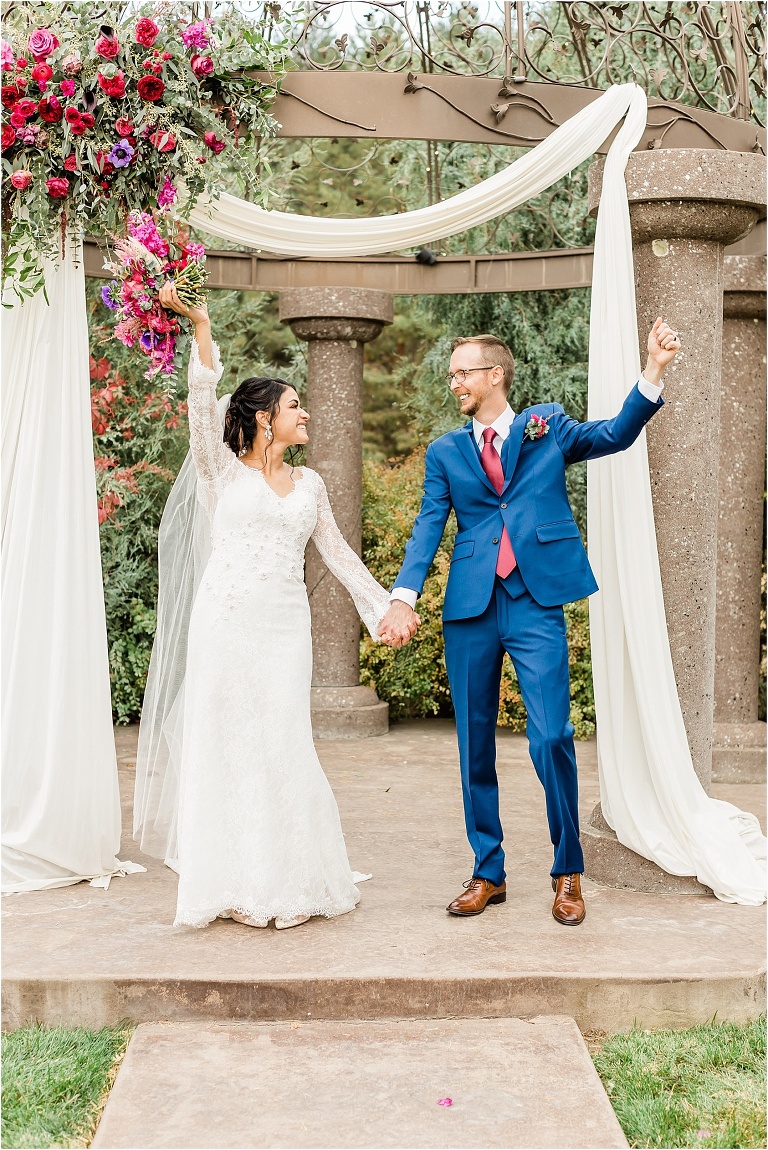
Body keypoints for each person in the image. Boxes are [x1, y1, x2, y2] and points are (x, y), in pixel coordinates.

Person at [378, 318, 681, 926]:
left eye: (463, 373)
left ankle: (568, 871)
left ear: (496, 374)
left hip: (535, 601)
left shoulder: (547, 426)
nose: (454, 383)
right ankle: (487, 871)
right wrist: (403, 596)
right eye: (452, 375)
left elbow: (614, 434)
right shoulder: (445, 452)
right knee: (474, 744)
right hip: (470, 606)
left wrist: (652, 370)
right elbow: (428, 526)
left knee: (550, 738)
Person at [142, 282, 394, 930]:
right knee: (226, 743)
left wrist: (384, 609)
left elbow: (338, 554)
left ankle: (286, 878)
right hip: (224, 624)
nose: (305, 415)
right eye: (294, 406)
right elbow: (200, 405)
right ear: (263, 418)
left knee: (283, 742)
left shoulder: (311, 484)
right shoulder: (219, 472)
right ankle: (230, 881)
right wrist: (201, 326)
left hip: (285, 630)